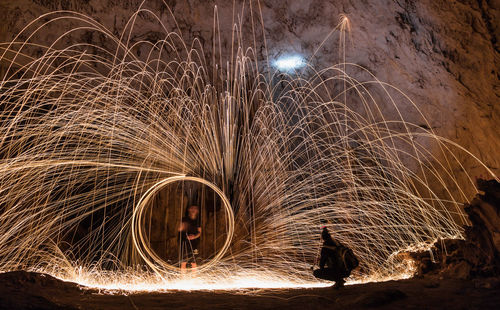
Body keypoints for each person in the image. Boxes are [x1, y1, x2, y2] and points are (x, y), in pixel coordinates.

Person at [179, 205, 201, 271]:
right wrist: (182, 227)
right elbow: (179, 229)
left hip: (194, 243)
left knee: (194, 262)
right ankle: (183, 278)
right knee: (184, 262)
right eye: (192, 208)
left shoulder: (198, 221)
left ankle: (194, 278)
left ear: (197, 211)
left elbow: (200, 232)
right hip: (185, 243)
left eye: (195, 208)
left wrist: (194, 237)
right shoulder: (184, 219)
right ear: (189, 209)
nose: (193, 210)